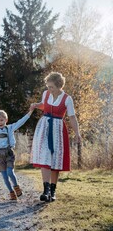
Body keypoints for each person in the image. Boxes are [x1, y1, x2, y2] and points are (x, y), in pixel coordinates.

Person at [30, 72, 81, 202]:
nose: (49, 89)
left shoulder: (67, 99)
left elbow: (72, 117)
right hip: (44, 126)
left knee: (55, 159)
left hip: (58, 129)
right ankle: (45, 190)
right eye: (48, 86)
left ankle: (52, 191)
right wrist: (36, 105)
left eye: (51, 86)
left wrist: (77, 133)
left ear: (59, 86)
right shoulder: (46, 94)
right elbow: (44, 105)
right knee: (44, 156)